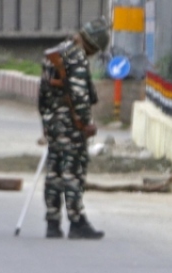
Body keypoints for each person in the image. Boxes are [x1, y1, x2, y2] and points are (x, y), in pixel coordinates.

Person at [39, 17, 108, 239]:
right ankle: (77, 221)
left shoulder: (56, 52)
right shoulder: (76, 57)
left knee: (54, 171)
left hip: (53, 121)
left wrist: (46, 123)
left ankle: (52, 222)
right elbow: (79, 93)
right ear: (92, 45)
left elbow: (42, 93)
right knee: (73, 171)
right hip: (71, 124)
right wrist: (86, 122)